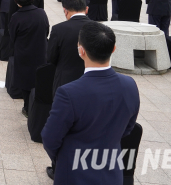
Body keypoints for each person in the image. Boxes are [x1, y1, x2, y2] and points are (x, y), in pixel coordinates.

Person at [41, 22, 139, 184]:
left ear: (81, 51)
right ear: (113, 49)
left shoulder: (69, 92)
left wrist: (65, 157)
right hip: (111, 171)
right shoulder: (130, 85)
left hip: (74, 173)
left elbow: (50, 138)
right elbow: (128, 128)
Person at [7, 0, 49, 116]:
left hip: (23, 52)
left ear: (17, 2)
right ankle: (36, 104)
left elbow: (12, 36)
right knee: (38, 78)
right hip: (40, 50)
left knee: (25, 81)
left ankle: (27, 106)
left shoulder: (16, 17)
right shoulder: (41, 13)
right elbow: (46, 30)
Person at [46, 0, 90, 98]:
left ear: (65, 11)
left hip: (65, 79)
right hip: (90, 79)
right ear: (86, 9)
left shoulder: (58, 29)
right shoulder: (99, 28)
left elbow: (51, 57)